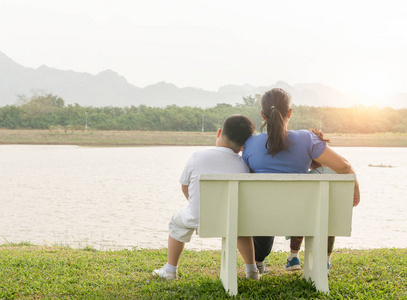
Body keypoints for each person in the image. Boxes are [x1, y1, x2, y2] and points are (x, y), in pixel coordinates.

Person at [242, 88, 360, 274]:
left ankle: (257, 262)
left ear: (262, 115)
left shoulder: (249, 144)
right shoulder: (307, 139)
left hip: (260, 220)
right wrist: (356, 191)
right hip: (301, 220)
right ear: (290, 112)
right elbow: (344, 167)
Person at [152, 115, 261, 281]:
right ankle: (252, 270)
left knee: (176, 223)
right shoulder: (243, 164)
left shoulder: (197, 157)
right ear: (244, 145)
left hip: (199, 216)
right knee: (242, 232)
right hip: (232, 219)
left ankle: (170, 270)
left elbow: (184, 186)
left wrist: (197, 204)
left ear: (219, 132)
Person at [286, 129, 337, 272]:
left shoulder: (308, 176)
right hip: (331, 221)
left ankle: (293, 257)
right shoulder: (338, 174)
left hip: (304, 221)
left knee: (301, 217)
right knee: (330, 223)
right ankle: (326, 261)